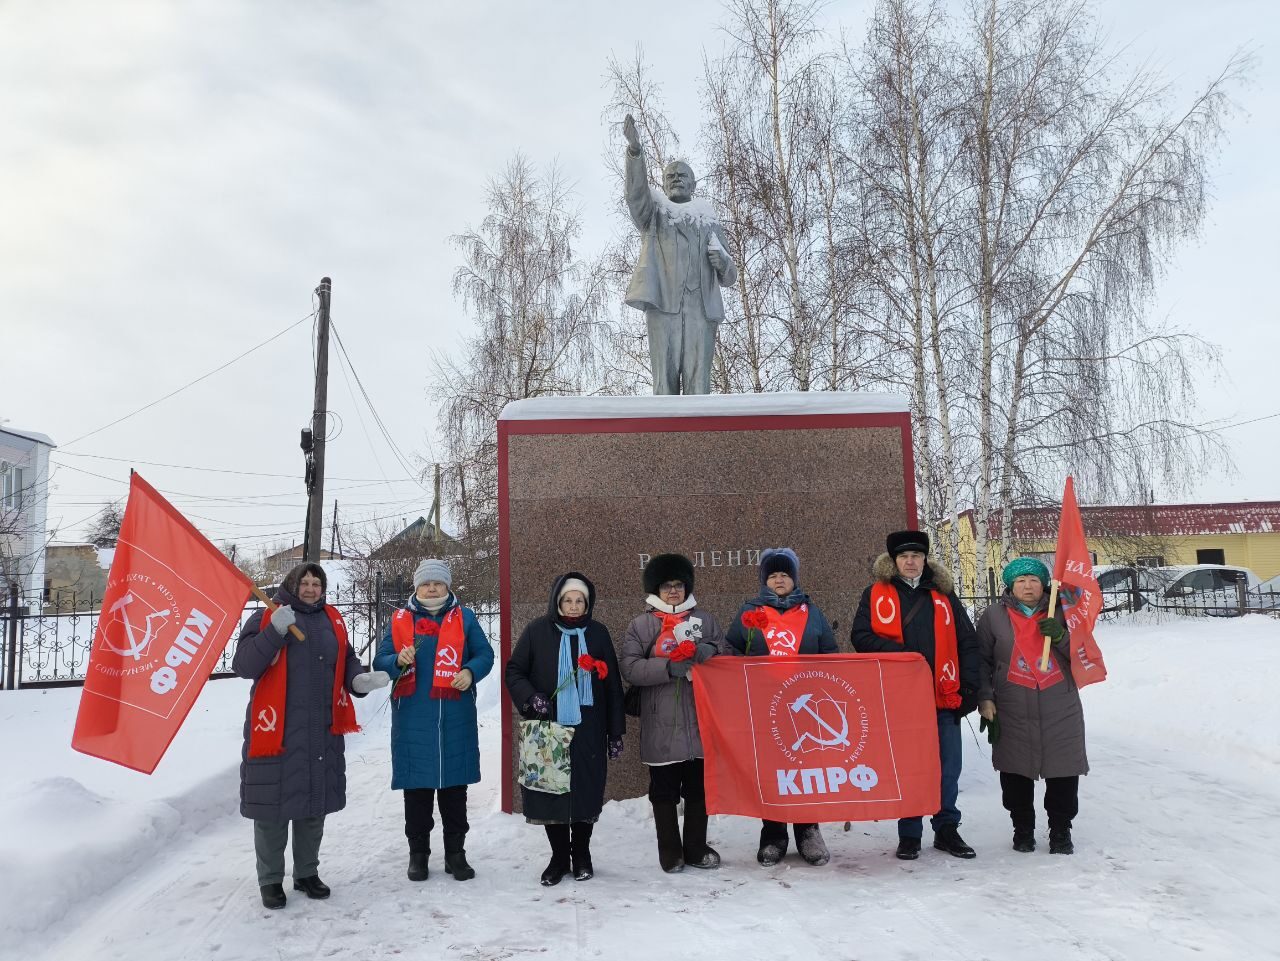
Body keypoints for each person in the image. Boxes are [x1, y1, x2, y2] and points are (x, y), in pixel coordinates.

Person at [233, 562, 388, 910]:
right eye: (304, 582)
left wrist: (358, 681)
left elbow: (346, 658)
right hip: (276, 727)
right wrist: (273, 631)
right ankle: (270, 880)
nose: (310, 588)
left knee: (312, 805)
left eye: (317, 583)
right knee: (272, 808)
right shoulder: (266, 616)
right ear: (291, 585)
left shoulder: (331, 619)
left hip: (321, 726)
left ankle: (307, 873)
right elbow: (244, 665)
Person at [851, 530, 980, 861]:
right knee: (908, 767)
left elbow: (967, 641)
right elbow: (861, 636)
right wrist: (902, 654)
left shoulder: (944, 595)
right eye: (904, 557)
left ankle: (946, 829)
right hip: (900, 699)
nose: (911, 562)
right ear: (894, 562)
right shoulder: (875, 594)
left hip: (943, 695)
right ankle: (909, 833)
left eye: (917, 556)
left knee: (947, 767)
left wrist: (969, 687)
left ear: (925, 560)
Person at [373, 558, 495, 883]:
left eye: (438, 583)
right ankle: (419, 855)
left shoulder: (465, 618)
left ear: (447, 586)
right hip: (414, 717)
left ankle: (456, 854)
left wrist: (470, 672)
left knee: (455, 792)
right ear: (417, 587)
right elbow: (381, 659)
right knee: (417, 792)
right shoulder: (400, 620)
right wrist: (396, 659)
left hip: (455, 718)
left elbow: (485, 655)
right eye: (426, 583)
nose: (432, 588)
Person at [505, 572, 625, 886]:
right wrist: (532, 698)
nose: (573, 606)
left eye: (579, 601)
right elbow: (515, 671)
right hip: (550, 728)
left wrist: (615, 732)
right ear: (557, 601)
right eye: (568, 600)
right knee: (552, 791)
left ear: (588, 603)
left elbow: (612, 685)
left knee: (585, 791)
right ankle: (559, 857)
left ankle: (581, 855)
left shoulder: (598, 634)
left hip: (589, 728)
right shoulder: (536, 631)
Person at [724, 548, 838, 867]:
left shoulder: (810, 612)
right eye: (773, 575)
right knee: (772, 771)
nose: (779, 580)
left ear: (794, 580)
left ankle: (808, 832)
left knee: (805, 769)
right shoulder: (749, 612)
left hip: (806, 706)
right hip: (765, 706)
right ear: (764, 581)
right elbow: (731, 648)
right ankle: (773, 835)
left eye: (784, 575)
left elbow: (829, 652)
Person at [620, 553, 725, 873]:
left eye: (679, 585)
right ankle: (670, 851)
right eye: (667, 586)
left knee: (699, 789)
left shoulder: (705, 621)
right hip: (660, 722)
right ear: (656, 589)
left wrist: (712, 651)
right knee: (663, 791)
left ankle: (695, 847)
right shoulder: (641, 625)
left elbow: (727, 653)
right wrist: (668, 667)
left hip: (699, 720)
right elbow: (630, 667)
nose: (674, 591)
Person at [976, 557, 1088, 855]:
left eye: (1034, 580)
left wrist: (1062, 637)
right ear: (1010, 586)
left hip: (1059, 703)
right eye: (1021, 580)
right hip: (1011, 704)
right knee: (1015, 772)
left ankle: (1061, 830)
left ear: (1044, 585)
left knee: (1063, 771)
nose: (1028, 585)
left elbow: (1085, 654)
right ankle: (1022, 828)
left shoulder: (1064, 612)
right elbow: (981, 660)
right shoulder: (993, 617)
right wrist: (985, 697)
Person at [622, 112, 738, 395]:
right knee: (664, 386)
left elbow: (730, 275)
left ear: (693, 184)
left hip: (701, 308)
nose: (675, 179)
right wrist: (635, 152)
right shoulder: (656, 212)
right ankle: (664, 439)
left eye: (681, 175)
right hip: (663, 307)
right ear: (663, 183)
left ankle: (701, 439)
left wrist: (722, 261)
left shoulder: (706, 217)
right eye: (670, 176)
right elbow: (636, 197)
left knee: (700, 386)